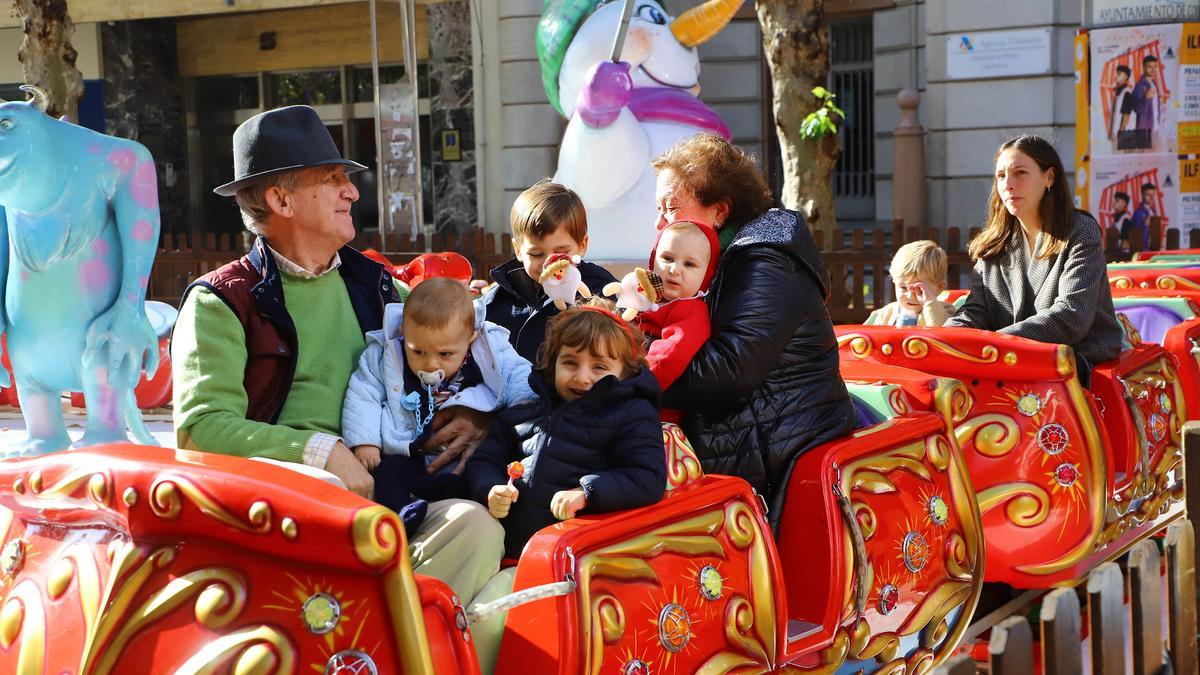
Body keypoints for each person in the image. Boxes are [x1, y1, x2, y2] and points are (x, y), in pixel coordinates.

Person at [171, 105, 503, 605]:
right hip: (288, 509)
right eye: (332, 179)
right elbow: (200, 427)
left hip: (392, 491)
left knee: (478, 524)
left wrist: (476, 414)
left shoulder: (376, 285)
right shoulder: (221, 300)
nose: (352, 191)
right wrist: (322, 453)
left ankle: (399, 643)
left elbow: (465, 346)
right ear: (280, 199)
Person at [649, 133, 855, 519]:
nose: (661, 223)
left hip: (783, 441)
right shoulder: (700, 258)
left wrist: (630, 379)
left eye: (672, 208)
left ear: (720, 212)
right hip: (745, 432)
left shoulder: (764, 261)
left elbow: (730, 369)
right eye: (659, 209)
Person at [465, 301, 666, 672]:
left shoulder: (631, 414)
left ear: (624, 372)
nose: (583, 378)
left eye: (600, 368)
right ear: (553, 363)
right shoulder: (527, 410)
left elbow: (647, 477)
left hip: (566, 565)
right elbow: (485, 459)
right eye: (571, 363)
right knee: (449, 602)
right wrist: (490, 488)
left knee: (481, 619)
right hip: (505, 547)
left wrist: (588, 492)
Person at [341, 277, 538, 527]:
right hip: (407, 448)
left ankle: (460, 502)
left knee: (479, 475)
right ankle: (401, 515)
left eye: (445, 354)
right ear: (403, 331)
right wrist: (365, 441)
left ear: (471, 337)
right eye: (418, 351)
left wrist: (523, 412)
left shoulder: (490, 351)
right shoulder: (383, 355)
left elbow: (520, 377)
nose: (431, 363)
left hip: (463, 458)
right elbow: (363, 393)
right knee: (389, 474)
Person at [944, 135, 1123, 387]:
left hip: (1077, 366)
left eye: (1020, 173)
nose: (1008, 184)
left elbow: (1072, 316)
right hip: (1004, 364)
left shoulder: (1080, 231)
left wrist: (992, 343)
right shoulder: (995, 242)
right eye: (1001, 176)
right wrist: (945, 340)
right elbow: (975, 312)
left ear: (1049, 178)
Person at [481, 179, 615, 363]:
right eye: (536, 254)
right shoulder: (500, 297)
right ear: (518, 250)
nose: (548, 264)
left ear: (582, 245)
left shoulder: (599, 287)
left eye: (560, 253)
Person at [633, 219, 720, 422]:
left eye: (689, 264)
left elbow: (670, 356)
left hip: (652, 408)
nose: (674, 270)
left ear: (707, 274)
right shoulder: (642, 296)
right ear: (653, 259)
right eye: (667, 258)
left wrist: (633, 384)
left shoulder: (690, 309)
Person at [866, 240, 955, 327]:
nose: (910, 296)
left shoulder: (947, 313)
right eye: (903, 288)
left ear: (939, 287)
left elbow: (944, 334)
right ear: (894, 282)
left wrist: (930, 303)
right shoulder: (884, 314)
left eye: (919, 289)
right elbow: (863, 336)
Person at [1122, 55, 1160, 151]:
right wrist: (1146, 98)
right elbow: (1136, 109)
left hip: (1155, 127)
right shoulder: (1140, 85)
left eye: (1155, 66)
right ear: (1144, 67)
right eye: (1149, 66)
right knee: (1144, 159)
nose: (1153, 69)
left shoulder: (1154, 84)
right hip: (1143, 129)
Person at [1109, 65, 1135, 151]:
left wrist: (1121, 134)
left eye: (1119, 74)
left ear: (1125, 76)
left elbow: (1126, 116)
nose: (1116, 76)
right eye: (1116, 73)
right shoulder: (1118, 92)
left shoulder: (1126, 93)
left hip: (1123, 137)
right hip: (1117, 135)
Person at [1129, 182, 1158, 251]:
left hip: (1152, 248)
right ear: (1142, 195)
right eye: (1148, 194)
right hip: (1142, 249)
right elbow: (1135, 232)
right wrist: (1145, 224)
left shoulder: (1153, 211)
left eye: (1153, 194)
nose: (1151, 197)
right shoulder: (1138, 212)